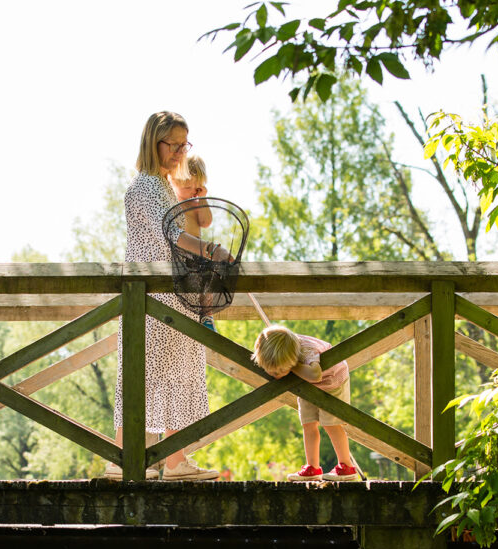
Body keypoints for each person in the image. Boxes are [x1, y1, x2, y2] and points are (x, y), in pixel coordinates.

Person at [106, 111, 230, 482]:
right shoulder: (144, 186)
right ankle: (124, 461)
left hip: (170, 294)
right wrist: (211, 251)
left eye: (184, 145)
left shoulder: (161, 184)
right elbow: (171, 234)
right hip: (151, 296)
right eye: (172, 144)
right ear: (153, 142)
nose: (179, 152)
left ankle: (171, 461)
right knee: (143, 374)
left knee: (172, 375)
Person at [252, 324, 359, 482]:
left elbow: (315, 375)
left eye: (280, 370)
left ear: (292, 360)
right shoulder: (278, 349)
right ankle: (312, 467)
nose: (276, 375)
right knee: (308, 423)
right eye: (272, 371)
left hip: (332, 381)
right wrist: (285, 366)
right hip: (307, 386)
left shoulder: (306, 350)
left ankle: (346, 467)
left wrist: (293, 366)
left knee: (331, 423)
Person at [169, 154, 217, 330]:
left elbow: (206, 222)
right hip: (179, 250)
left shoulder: (195, 204)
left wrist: (202, 199)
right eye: (187, 186)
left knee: (208, 275)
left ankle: (207, 315)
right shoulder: (172, 201)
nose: (191, 191)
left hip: (197, 250)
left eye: (195, 187)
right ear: (174, 180)